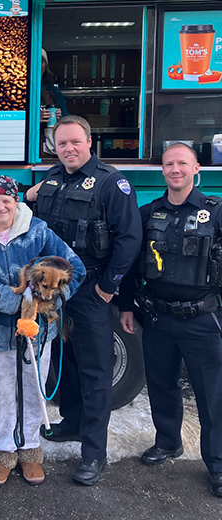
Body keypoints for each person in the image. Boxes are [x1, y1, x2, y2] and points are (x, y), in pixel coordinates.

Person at [25, 115, 142, 485]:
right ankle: (72, 423)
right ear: (54, 147)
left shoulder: (112, 183)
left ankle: (94, 452)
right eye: (62, 144)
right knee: (66, 363)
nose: (69, 149)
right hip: (55, 294)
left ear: (90, 142)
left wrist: (108, 289)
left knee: (95, 371)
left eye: (75, 142)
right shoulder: (52, 180)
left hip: (91, 292)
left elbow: (129, 240)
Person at [0, 175, 85, 487]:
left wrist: (51, 299)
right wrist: (12, 300)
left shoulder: (37, 230)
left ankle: (30, 452)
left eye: (7, 201)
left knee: (32, 391)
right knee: (0, 395)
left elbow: (75, 268)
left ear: (16, 202)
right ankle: (2, 453)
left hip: (37, 334)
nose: (1, 206)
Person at [118, 142, 222, 498]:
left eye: (182, 164)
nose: (174, 170)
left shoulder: (216, 211)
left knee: (212, 396)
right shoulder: (149, 213)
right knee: (161, 386)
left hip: (203, 318)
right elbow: (131, 263)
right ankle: (167, 442)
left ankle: (218, 464)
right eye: (168, 164)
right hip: (157, 316)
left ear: (197, 170)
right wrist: (127, 306)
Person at [40, 49, 69, 156]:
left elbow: (67, 120)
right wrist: (34, 121)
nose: (38, 65)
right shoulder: (17, 91)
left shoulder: (53, 91)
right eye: (34, 61)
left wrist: (59, 119)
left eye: (41, 61)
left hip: (49, 148)